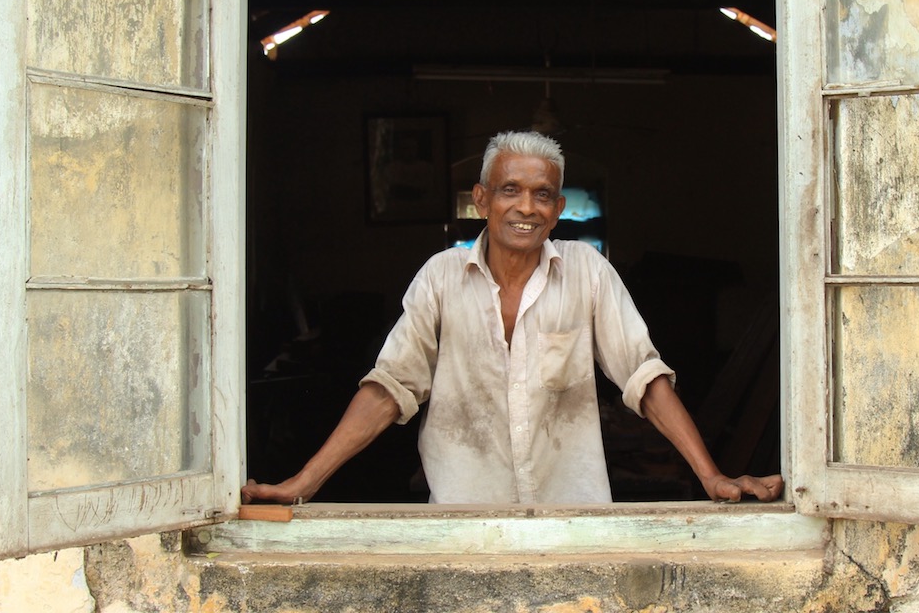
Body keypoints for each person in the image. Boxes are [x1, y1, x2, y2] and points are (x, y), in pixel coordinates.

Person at [242, 130, 783, 505]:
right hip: (464, 518)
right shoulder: (441, 276)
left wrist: (709, 475)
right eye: (510, 191)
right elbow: (390, 387)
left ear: (559, 208)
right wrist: (303, 483)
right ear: (481, 200)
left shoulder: (587, 271)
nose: (527, 207)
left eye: (542, 194)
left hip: (569, 518)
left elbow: (642, 374)